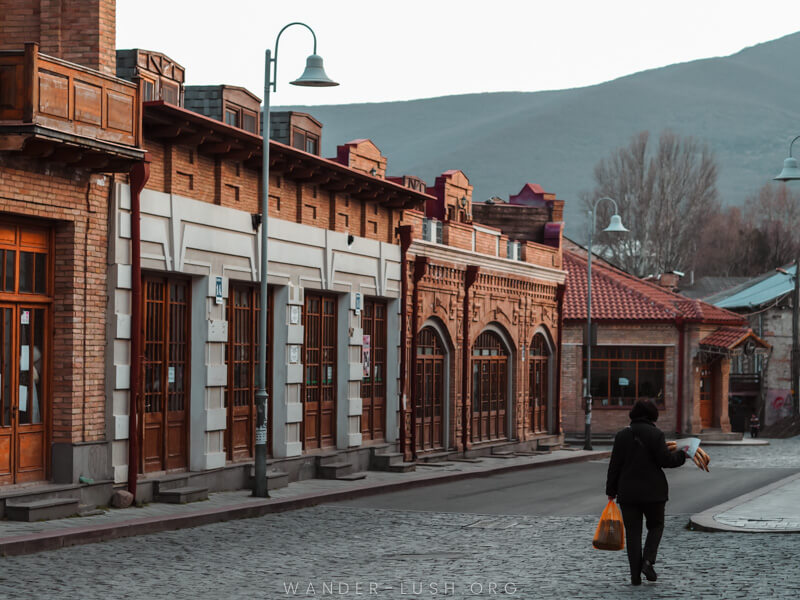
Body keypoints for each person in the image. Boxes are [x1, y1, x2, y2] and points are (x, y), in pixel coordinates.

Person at [605, 399, 686, 586]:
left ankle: (635, 577)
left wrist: (611, 490)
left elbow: (614, 466)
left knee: (633, 534)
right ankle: (648, 561)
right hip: (654, 493)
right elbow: (666, 461)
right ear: (652, 416)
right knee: (656, 526)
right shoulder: (656, 434)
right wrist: (683, 455)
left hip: (628, 494)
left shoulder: (622, 436)